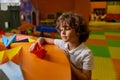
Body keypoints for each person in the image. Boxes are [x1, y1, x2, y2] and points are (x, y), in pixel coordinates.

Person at [30, 12, 94, 80]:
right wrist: (37, 44)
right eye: (61, 29)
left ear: (78, 31)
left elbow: (86, 78)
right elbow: (42, 39)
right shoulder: (63, 43)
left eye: (67, 28)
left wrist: (68, 62)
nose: (62, 33)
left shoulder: (86, 53)